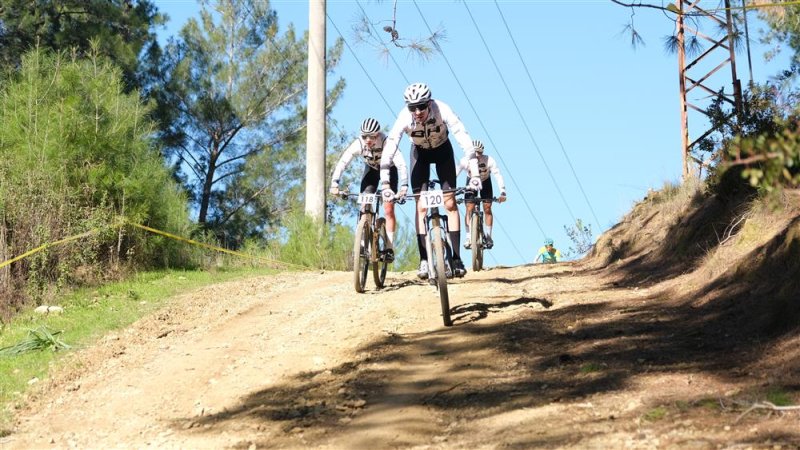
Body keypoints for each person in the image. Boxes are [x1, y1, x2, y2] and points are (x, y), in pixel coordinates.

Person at [378, 82, 481, 279]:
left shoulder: (442, 109)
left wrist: (475, 174)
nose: (417, 112)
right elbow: (390, 146)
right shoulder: (404, 117)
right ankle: (424, 259)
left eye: (421, 106)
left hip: (443, 152)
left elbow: (462, 136)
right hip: (420, 155)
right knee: (421, 207)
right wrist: (384, 183)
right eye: (412, 108)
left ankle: (457, 258)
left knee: (450, 203)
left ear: (429, 103)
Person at [330, 118, 409, 261]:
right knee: (364, 204)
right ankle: (361, 241)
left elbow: (401, 165)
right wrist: (334, 183)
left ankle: (389, 247)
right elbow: (343, 162)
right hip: (371, 170)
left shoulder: (387, 142)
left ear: (378, 135)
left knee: (389, 208)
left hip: (390, 171)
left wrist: (404, 186)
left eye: (371, 136)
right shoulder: (359, 143)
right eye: (364, 136)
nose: (367, 140)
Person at [456, 139, 507, 250]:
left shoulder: (489, 160)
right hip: (471, 183)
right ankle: (469, 236)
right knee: (469, 207)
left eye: (479, 153)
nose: (477, 155)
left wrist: (502, 191)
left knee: (487, 207)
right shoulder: (465, 160)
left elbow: (497, 175)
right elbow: (455, 173)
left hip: (485, 182)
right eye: (475, 153)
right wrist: (449, 189)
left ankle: (488, 236)